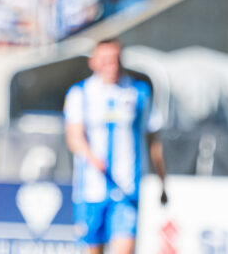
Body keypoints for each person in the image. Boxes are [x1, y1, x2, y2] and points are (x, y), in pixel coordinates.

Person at [63, 38, 167, 254]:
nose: (112, 65)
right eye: (106, 60)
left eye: (116, 60)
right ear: (93, 62)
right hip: (90, 190)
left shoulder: (139, 92)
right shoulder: (79, 93)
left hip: (127, 189)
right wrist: (94, 159)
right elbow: (75, 138)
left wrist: (162, 180)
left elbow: (153, 140)